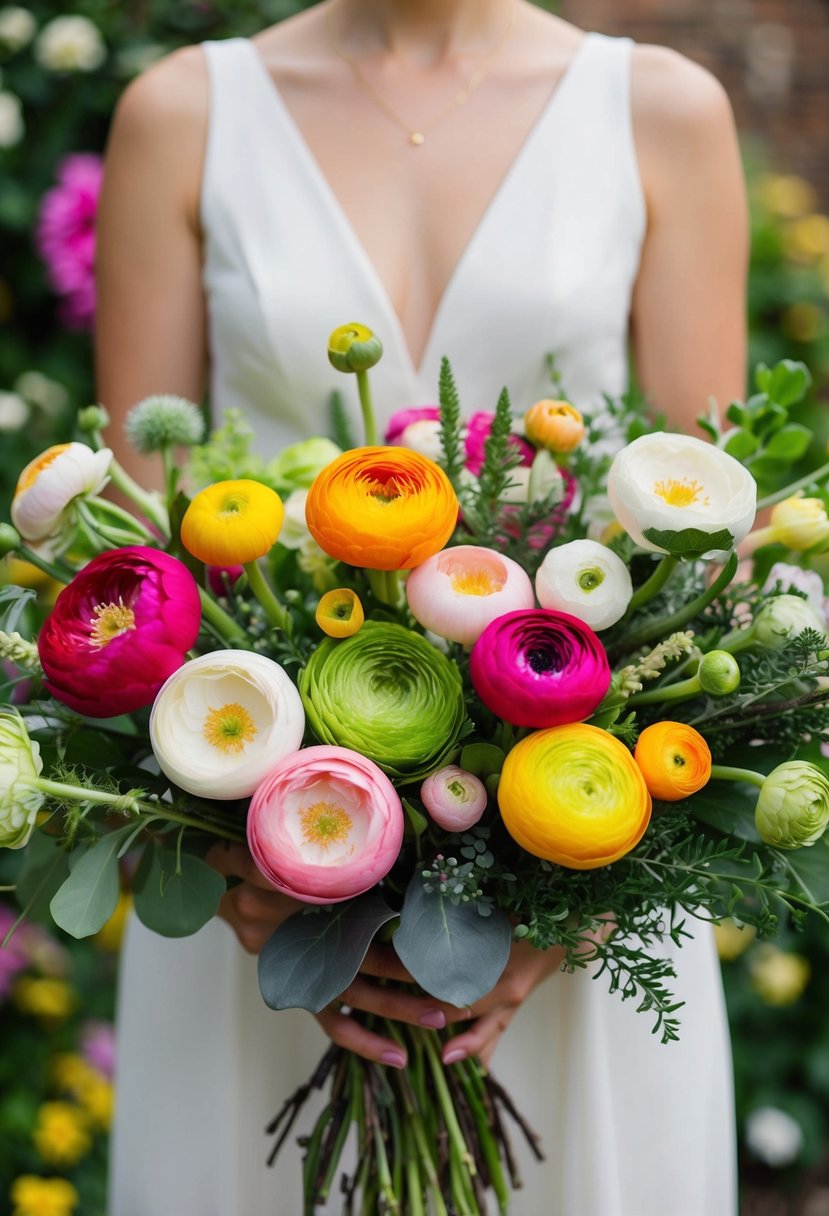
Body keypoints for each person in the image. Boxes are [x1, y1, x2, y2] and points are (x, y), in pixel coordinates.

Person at [95, 0, 747, 1212]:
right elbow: (141, 562)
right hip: (257, 885)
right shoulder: (185, 114)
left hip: (579, 883)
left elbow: (709, 542)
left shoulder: (656, 111)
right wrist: (241, 861)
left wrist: (575, 905)